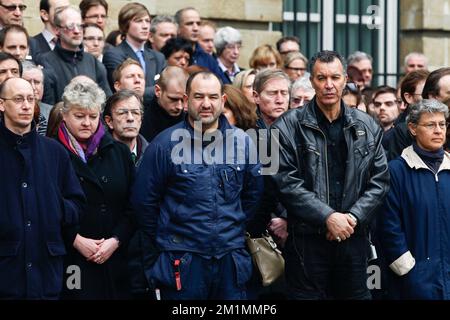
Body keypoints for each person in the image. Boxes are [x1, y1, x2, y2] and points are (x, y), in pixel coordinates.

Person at [131, 71, 263, 300]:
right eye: (198, 96)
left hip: (230, 260)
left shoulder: (243, 143)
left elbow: (253, 196)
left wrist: (229, 231)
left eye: (213, 97)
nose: (206, 104)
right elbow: (144, 203)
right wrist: (171, 239)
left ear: (223, 101)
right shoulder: (164, 145)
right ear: (186, 100)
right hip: (183, 260)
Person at [270, 50, 390, 299]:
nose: (328, 85)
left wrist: (352, 218)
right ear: (311, 80)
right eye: (321, 78)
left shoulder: (367, 125)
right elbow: (284, 182)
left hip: (354, 239)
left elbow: (379, 181)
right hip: (307, 241)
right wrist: (328, 217)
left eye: (335, 77)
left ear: (346, 79)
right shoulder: (287, 126)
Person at [0, 77, 85, 299]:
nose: (27, 105)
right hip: (7, 272)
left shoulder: (54, 152)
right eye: (18, 99)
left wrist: (54, 208)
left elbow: (77, 204)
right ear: (2, 104)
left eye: (31, 99)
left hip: (47, 272)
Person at [57, 78, 135, 299]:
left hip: (116, 257)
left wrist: (116, 239)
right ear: (64, 115)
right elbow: (47, 206)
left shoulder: (118, 152)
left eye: (93, 116)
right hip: (72, 259)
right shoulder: (52, 153)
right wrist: (75, 239)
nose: (87, 123)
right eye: (79, 116)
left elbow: (134, 204)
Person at [378, 99, 450, 299]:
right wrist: (409, 271)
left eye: (442, 124)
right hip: (414, 281)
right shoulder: (396, 171)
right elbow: (388, 226)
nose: (438, 130)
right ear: (413, 128)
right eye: (430, 125)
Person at [37, 5, 111, 105]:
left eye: (80, 26)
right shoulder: (45, 61)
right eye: (70, 26)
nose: (77, 31)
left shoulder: (93, 62)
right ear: (57, 30)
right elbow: (47, 106)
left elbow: (107, 101)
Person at [103, 2, 166, 103]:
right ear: (125, 25)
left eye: (147, 21)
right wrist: (159, 90)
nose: (145, 26)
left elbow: (166, 89)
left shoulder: (158, 57)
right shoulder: (113, 55)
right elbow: (125, 92)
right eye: (139, 21)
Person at [139, 66, 188, 142]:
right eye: (173, 99)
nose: (180, 107)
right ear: (157, 91)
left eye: (183, 100)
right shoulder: (140, 118)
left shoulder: (193, 121)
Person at [103, 89, 147, 166]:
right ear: (109, 121)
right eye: (122, 113)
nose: (130, 118)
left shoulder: (153, 153)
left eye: (135, 113)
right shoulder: (98, 155)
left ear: (141, 119)